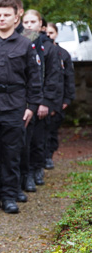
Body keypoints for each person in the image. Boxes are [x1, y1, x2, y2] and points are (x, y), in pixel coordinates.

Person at [0, 0, 43, 214]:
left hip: (15, 106)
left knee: (12, 153)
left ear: (16, 17)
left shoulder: (25, 45)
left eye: (6, 15)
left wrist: (32, 106)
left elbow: (34, 78)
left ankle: (10, 196)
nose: (1, 19)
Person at [19, 9, 63, 192]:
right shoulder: (19, 44)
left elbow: (53, 77)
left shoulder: (49, 48)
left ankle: (35, 170)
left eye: (32, 22)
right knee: (23, 142)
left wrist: (45, 102)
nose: (29, 25)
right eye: (26, 22)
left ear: (40, 25)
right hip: (22, 101)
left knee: (38, 140)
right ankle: (23, 173)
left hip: (40, 101)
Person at [44, 21, 76, 167]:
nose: (49, 36)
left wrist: (67, 99)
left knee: (52, 129)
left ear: (56, 34)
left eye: (51, 33)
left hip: (58, 98)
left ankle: (49, 155)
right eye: (47, 33)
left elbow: (69, 77)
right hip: (43, 97)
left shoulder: (63, 54)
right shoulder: (40, 50)